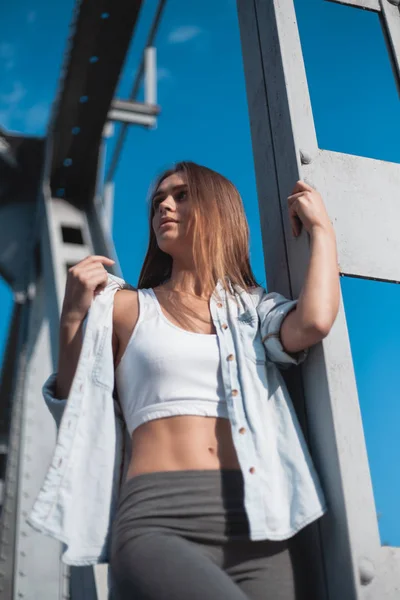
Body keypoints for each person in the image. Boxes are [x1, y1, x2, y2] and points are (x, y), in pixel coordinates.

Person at [30, 161, 339, 599]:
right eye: (158, 201)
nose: (164, 207)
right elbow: (72, 401)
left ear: (218, 209)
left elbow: (312, 323)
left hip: (263, 520)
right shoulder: (124, 307)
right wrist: (74, 316)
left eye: (181, 195)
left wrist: (323, 229)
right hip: (159, 519)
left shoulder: (252, 310)